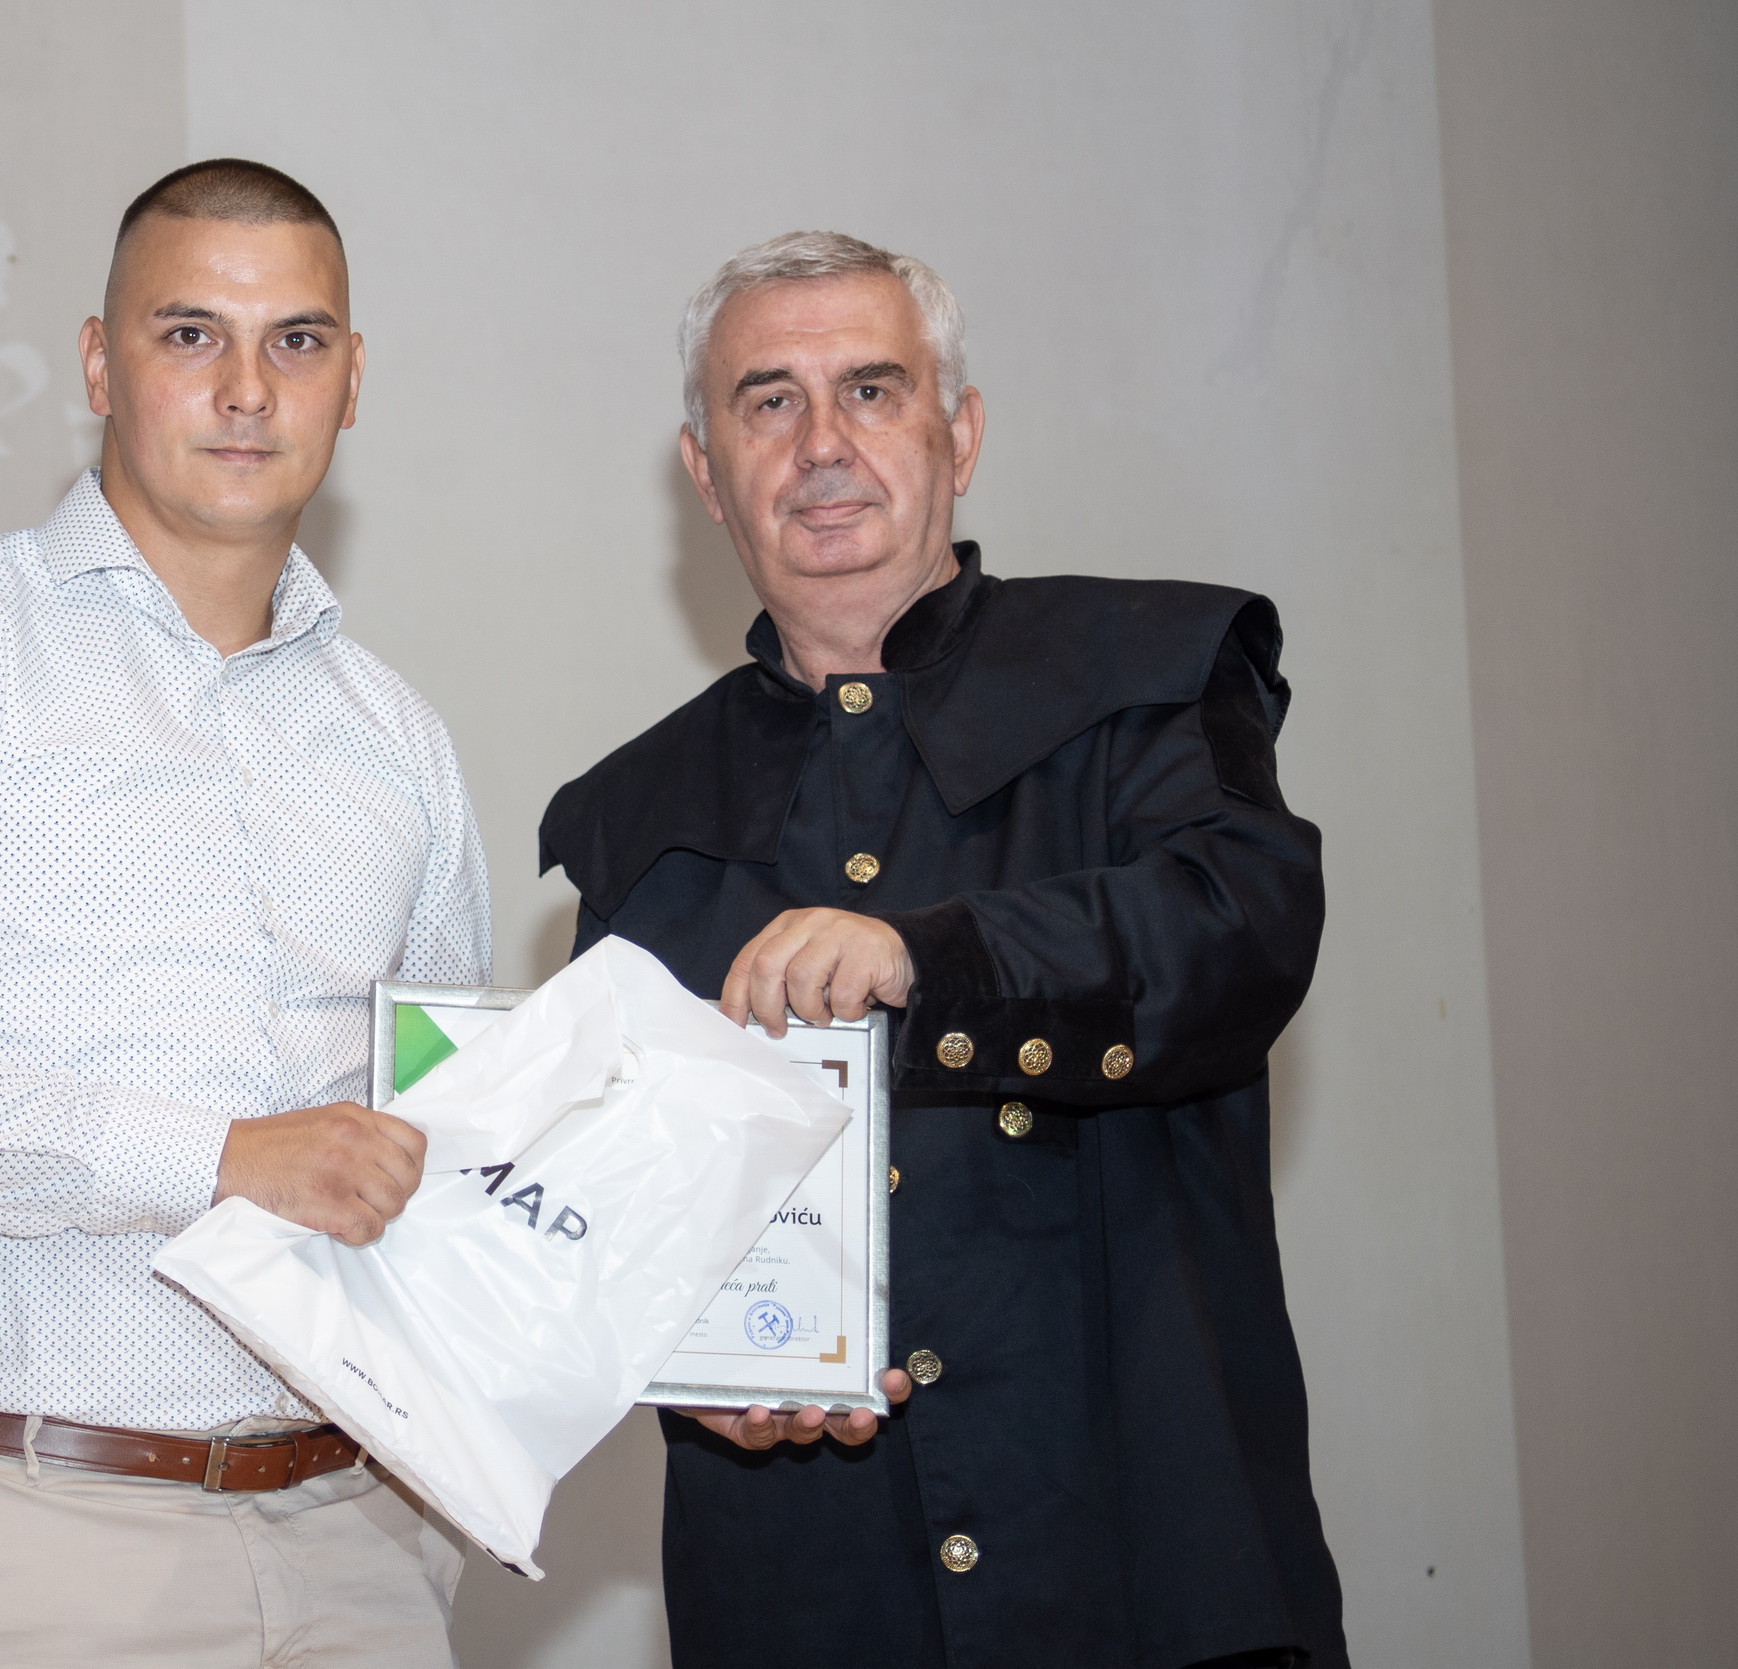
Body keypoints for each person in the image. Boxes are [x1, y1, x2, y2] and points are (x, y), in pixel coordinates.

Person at [538, 232, 1346, 1668]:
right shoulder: (632, 819)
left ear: (959, 433)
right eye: (769, 401)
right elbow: (613, 1212)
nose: (822, 443)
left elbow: (1243, 925)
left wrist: (933, 957)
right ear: (706, 471)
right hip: (808, 1604)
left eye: (872, 389)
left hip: (1144, 1585)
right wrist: (676, 1367)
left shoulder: (1149, 675)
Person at [0, 160, 489, 1669]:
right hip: (29, 1524)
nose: (247, 390)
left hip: (358, 1540)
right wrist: (216, 1158)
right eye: (190, 334)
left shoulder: (398, 739)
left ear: (352, 382)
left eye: (296, 342)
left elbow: (444, 1135)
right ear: (97, 363)